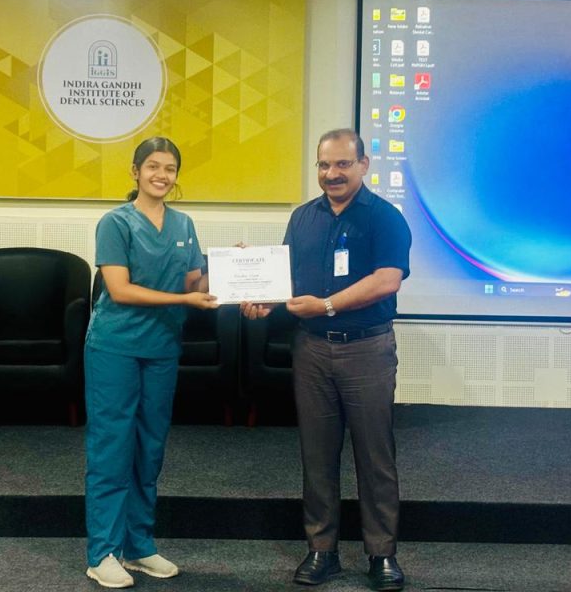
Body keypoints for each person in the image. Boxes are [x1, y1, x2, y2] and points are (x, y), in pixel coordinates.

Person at [243, 128, 412, 592]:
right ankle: (322, 550)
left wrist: (328, 305)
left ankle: (382, 554)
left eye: (342, 164)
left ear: (363, 165)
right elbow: (286, 279)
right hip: (312, 350)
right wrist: (261, 296)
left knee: (375, 456)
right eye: (324, 164)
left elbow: (387, 280)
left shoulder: (385, 217)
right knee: (316, 454)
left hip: (366, 349)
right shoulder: (303, 218)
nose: (331, 173)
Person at [84, 136, 218, 589]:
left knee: (149, 448)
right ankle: (102, 552)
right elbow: (120, 290)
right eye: (154, 166)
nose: (162, 175)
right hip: (115, 347)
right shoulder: (115, 222)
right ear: (136, 171)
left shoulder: (183, 223)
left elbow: (194, 282)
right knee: (112, 447)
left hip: (162, 347)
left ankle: (138, 545)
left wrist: (232, 267)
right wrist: (184, 299)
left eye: (170, 168)